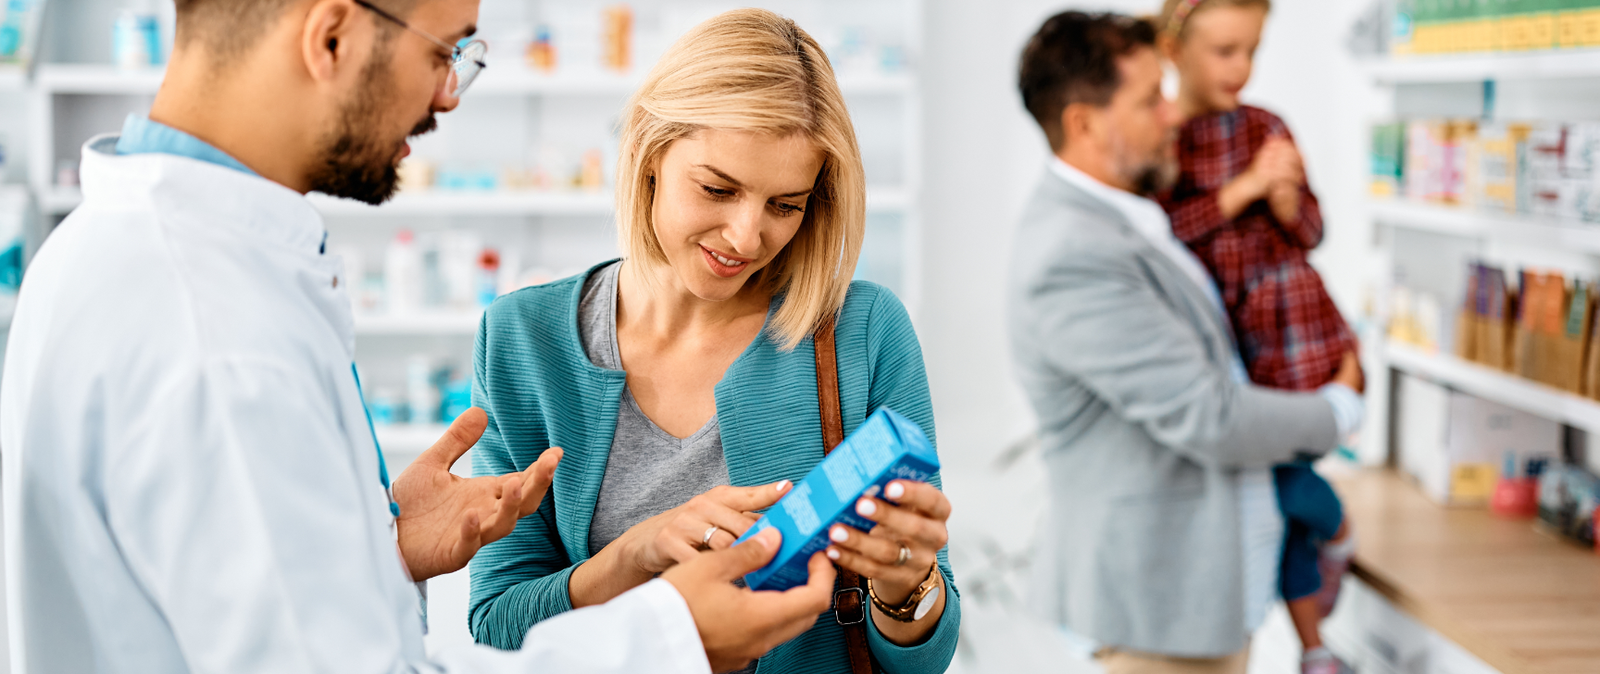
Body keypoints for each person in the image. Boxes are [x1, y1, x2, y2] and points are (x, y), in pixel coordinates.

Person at [0, 0, 838, 672]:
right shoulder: (220, 339)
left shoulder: (98, 249)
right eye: (444, 53)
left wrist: (377, 546)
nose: (446, 96)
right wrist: (666, 639)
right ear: (330, 36)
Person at [465, 9, 959, 674]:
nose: (747, 237)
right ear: (649, 151)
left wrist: (906, 586)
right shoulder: (523, 340)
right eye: (717, 189)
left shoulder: (860, 332)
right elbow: (497, 627)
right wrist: (635, 558)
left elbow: (922, 661)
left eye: (785, 205)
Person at [1007, 11, 1365, 674]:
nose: (1175, 114)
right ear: (1085, 123)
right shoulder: (1073, 254)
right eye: (1151, 99)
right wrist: (1340, 408)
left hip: (1197, 610)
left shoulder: (1127, 218)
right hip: (1157, 619)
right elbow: (1212, 415)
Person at [1156, 2, 1358, 672]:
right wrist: (1241, 192)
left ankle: (1314, 647)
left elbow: (1313, 232)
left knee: (1284, 487)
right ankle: (1326, 596)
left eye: (1251, 51)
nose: (1240, 68)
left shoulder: (1268, 126)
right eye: (1224, 51)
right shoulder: (1164, 141)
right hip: (1234, 356)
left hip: (1296, 336)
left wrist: (1286, 201)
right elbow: (1161, 243)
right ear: (1173, 46)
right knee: (1285, 500)